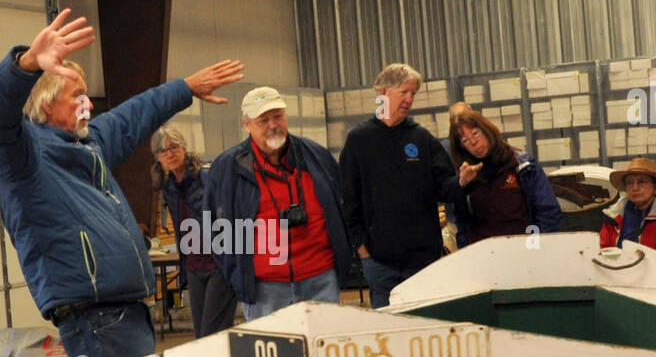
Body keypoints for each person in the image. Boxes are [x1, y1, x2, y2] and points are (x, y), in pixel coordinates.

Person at [0, 8, 243, 357]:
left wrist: (186, 88)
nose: (89, 105)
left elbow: (133, 115)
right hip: (95, 319)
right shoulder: (23, 158)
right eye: (78, 96)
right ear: (47, 104)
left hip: (127, 311)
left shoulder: (88, 145)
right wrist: (27, 64)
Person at [205, 86, 351, 321]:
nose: (273, 125)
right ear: (246, 124)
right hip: (265, 290)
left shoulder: (316, 156)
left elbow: (342, 207)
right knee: (275, 356)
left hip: (321, 281)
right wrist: (237, 275)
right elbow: (215, 230)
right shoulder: (227, 169)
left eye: (277, 116)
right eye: (263, 120)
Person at [340, 63, 464, 308]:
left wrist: (463, 181)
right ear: (383, 93)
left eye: (413, 94)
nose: (409, 99)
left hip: (422, 259)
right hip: (379, 261)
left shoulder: (421, 138)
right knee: (386, 330)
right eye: (404, 92)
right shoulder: (359, 140)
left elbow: (445, 187)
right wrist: (362, 248)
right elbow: (348, 197)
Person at [150, 126, 237, 338]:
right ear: (157, 158)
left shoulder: (206, 176)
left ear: (184, 148)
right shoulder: (168, 186)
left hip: (218, 264)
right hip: (193, 267)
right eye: (163, 151)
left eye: (173, 147)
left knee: (212, 333)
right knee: (201, 336)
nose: (169, 153)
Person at [448, 110, 563, 246]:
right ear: (461, 147)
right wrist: (462, 185)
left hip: (524, 248)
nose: (474, 142)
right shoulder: (465, 175)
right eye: (466, 140)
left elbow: (547, 211)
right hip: (483, 255)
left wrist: (538, 247)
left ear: (487, 130)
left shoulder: (523, 165)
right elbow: (461, 225)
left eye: (475, 133)